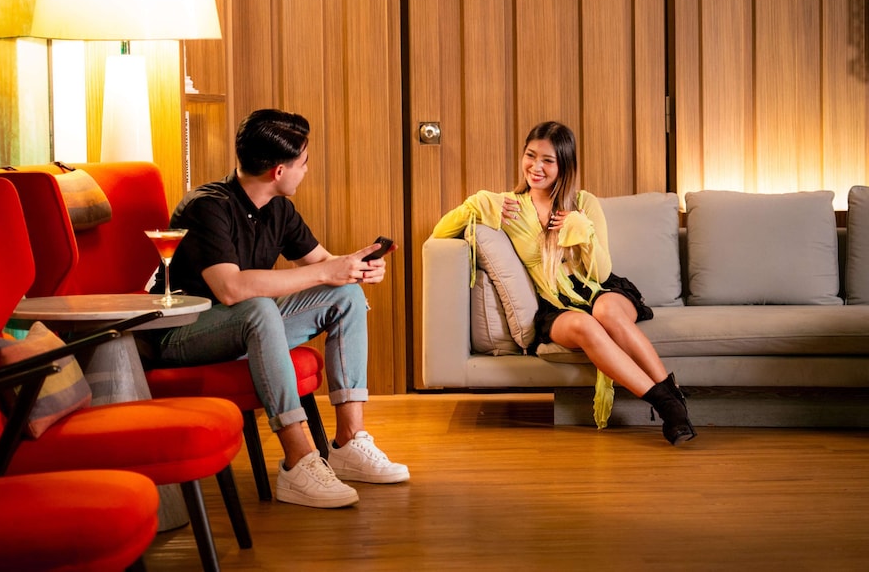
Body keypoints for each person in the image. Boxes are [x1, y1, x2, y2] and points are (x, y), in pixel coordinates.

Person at [149, 108, 409, 508]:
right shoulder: (207, 207)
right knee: (258, 307)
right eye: (303, 163)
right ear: (279, 171)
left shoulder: (279, 209)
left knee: (346, 296)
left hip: (250, 329)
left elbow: (323, 265)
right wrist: (327, 272)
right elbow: (231, 289)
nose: (306, 171)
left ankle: (349, 442)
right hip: (183, 335)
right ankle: (298, 461)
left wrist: (355, 268)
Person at [431, 121, 696, 445]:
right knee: (585, 325)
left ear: (564, 165)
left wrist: (582, 230)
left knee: (606, 314)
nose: (536, 167)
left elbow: (601, 273)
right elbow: (440, 233)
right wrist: (477, 203)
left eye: (548, 160)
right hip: (555, 305)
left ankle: (671, 404)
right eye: (531, 156)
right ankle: (668, 403)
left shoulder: (584, 203)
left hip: (600, 290)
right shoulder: (508, 206)